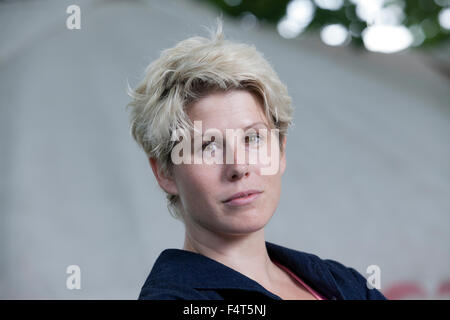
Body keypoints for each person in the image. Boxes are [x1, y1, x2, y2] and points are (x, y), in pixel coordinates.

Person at [126, 19, 387, 300]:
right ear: (164, 173)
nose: (239, 166)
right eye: (208, 146)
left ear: (281, 151)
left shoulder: (345, 283)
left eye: (253, 138)